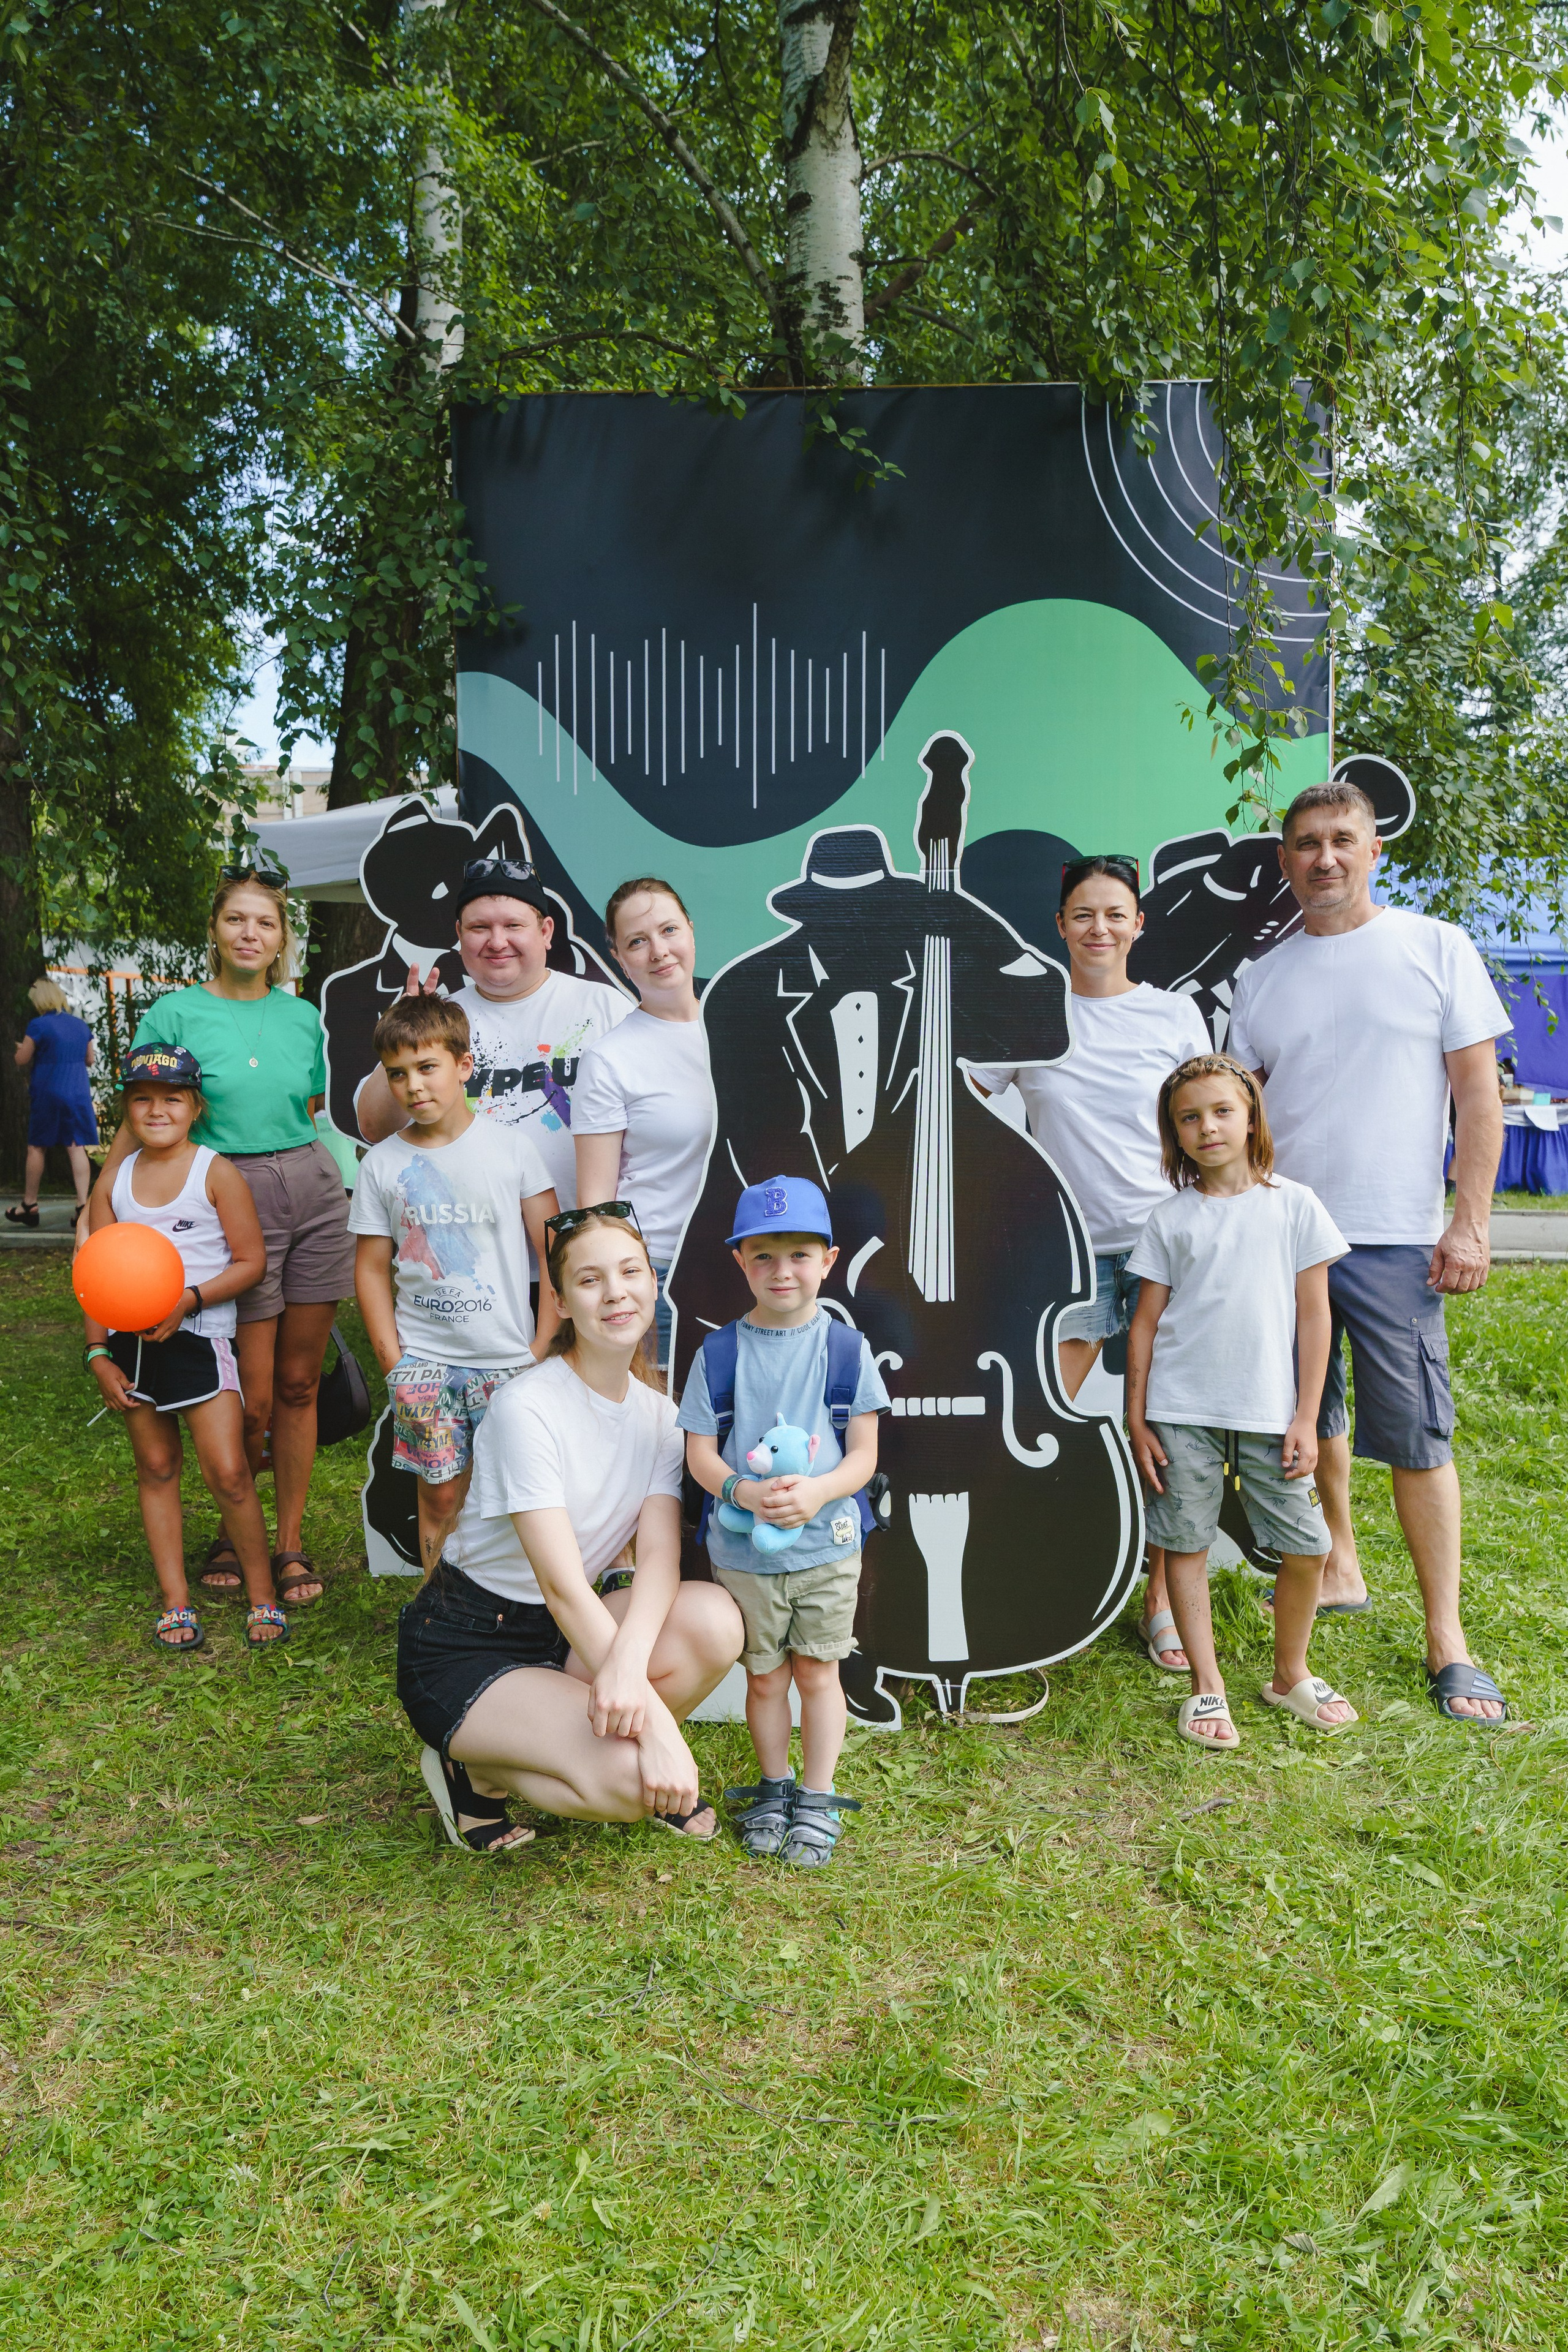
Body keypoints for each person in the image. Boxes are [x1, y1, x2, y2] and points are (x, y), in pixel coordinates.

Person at [1227, 780, 1510, 1723]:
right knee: (1317, 1415)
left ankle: (1448, 1639)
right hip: (1290, 1238)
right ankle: (1340, 1564)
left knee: (1417, 1436)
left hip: (1395, 1234)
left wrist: (1468, 1223)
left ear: (1375, 847)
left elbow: (1477, 1097)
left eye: (1342, 840)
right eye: (1306, 844)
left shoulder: (1436, 948)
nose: (1325, 859)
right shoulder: (1263, 976)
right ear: (1285, 862)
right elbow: (1242, 1117)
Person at [396, 1203, 743, 1854]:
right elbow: (560, 1583)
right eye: (589, 1280)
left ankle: (580, 1727)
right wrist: (658, 1731)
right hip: (468, 1644)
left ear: (651, 1283)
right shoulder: (528, 1408)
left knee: (714, 1621)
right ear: (559, 1300)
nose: (615, 1292)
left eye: (629, 1271)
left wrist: (627, 1669)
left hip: (563, 1635)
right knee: (634, 1784)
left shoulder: (661, 1418)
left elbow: (660, 1564)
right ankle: (471, 1770)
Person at [971, 853, 1211, 1675]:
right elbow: (961, 1102)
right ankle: (1023, 1587)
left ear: (1138, 924)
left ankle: (1163, 1604)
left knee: (1171, 1435)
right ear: (1061, 927)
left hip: (1170, 1253)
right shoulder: (1030, 1016)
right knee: (1037, 1426)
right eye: (1083, 915)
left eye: (1115, 913)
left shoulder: (1176, 1015)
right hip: (1064, 1256)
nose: (1099, 928)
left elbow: (1209, 1128)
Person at [95, 854, 355, 1610]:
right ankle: (227, 1525)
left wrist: (343, 1189)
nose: (250, 932)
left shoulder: (304, 1017)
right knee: (249, 1393)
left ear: (282, 942)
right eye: (236, 918)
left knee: (302, 1381)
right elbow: (143, 1110)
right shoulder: (175, 1013)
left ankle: (290, 1540)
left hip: (308, 1185)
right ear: (214, 930)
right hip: (223, 1193)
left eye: (265, 923)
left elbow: (309, 1111)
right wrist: (100, 1203)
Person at [1125, 1057, 1356, 1749]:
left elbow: (1315, 1320)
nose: (1207, 1127)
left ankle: (1290, 1673)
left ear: (1250, 1115)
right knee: (1184, 1543)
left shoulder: (1294, 1206)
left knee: (1308, 1548)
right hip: (1179, 1412)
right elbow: (1143, 1325)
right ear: (1175, 1135)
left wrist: (1305, 1418)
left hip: (1270, 1414)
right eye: (1189, 1118)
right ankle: (1207, 1688)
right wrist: (1137, 1418)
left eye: (1222, 1111)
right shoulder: (1169, 1220)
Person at [680, 1175, 889, 1868]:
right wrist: (740, 1492)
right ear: (740, 1262)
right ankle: (774, 1788)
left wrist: (818, 1491)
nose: (781, 1271)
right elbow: (700, 1456)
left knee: (818, 1674)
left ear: (828, 1260)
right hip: (745, 1559)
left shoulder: (845, 1351)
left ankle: (817, 1794)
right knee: (766, 1678)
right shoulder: (718, 1354)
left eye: (799, 1254)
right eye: (763, 1255)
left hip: (827, 1548)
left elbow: (863, 1457)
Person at [82, 1046, 285, 1650]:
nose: (157, 1109)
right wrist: (97, 1354)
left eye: (172, 1097)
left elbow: (252, 1262)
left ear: (194, 1106)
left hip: (199, 1339)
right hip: (131, 1350)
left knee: (228, 1472)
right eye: (142, 1098)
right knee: (155, 1467)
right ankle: (176, 1602)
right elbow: (93, 1276)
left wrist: (189, 1300)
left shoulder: (214, 1173)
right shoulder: (113, 1183)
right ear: (126, 1108)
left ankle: (262, 1597)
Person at [351, 995, 560, 1577]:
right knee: (440, 1496)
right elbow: (370, 1268)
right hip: (425, 1362)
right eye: (398, 1074)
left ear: (464, 1066)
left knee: (519, 1496)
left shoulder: (513, 1149)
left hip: (508, 1360)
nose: (413, 1086)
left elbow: (552, 1255)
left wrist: (539, 1348)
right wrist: (395, 1361)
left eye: (427, 1068)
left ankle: (520, 1610)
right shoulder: (382, 1166)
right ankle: (438, 1613)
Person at [356, 856, 629, 1274]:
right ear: (459, 936)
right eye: (480, 928)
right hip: (474, 1268)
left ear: (546, 932)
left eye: (513, 926)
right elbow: (374, 1126)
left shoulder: (606, 1008)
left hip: (586, 1260)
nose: (496, 941)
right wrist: (404, 1036)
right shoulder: (440, 1020)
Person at [573, 878, 712, 1370]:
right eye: (638, 941)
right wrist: (628, 1288)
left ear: (691, 932)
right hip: (663, 1277)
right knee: (667, 1440)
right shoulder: (611, 1059)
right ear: (619, 957)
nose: (659, 951)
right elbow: (596, 1205)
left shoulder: (746, 1024)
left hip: (754, 1262)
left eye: (669, 930)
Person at [9, 978, 98, 1226]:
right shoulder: (80, 1025)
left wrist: (19, 1048)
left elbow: (22, 1059)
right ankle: (82, 1206)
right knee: (76, 1146)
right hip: (78, 1092)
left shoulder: (39, 1025)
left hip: (49, 1091)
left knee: (37, 1146)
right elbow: (89, 1060)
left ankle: (30, 1206)